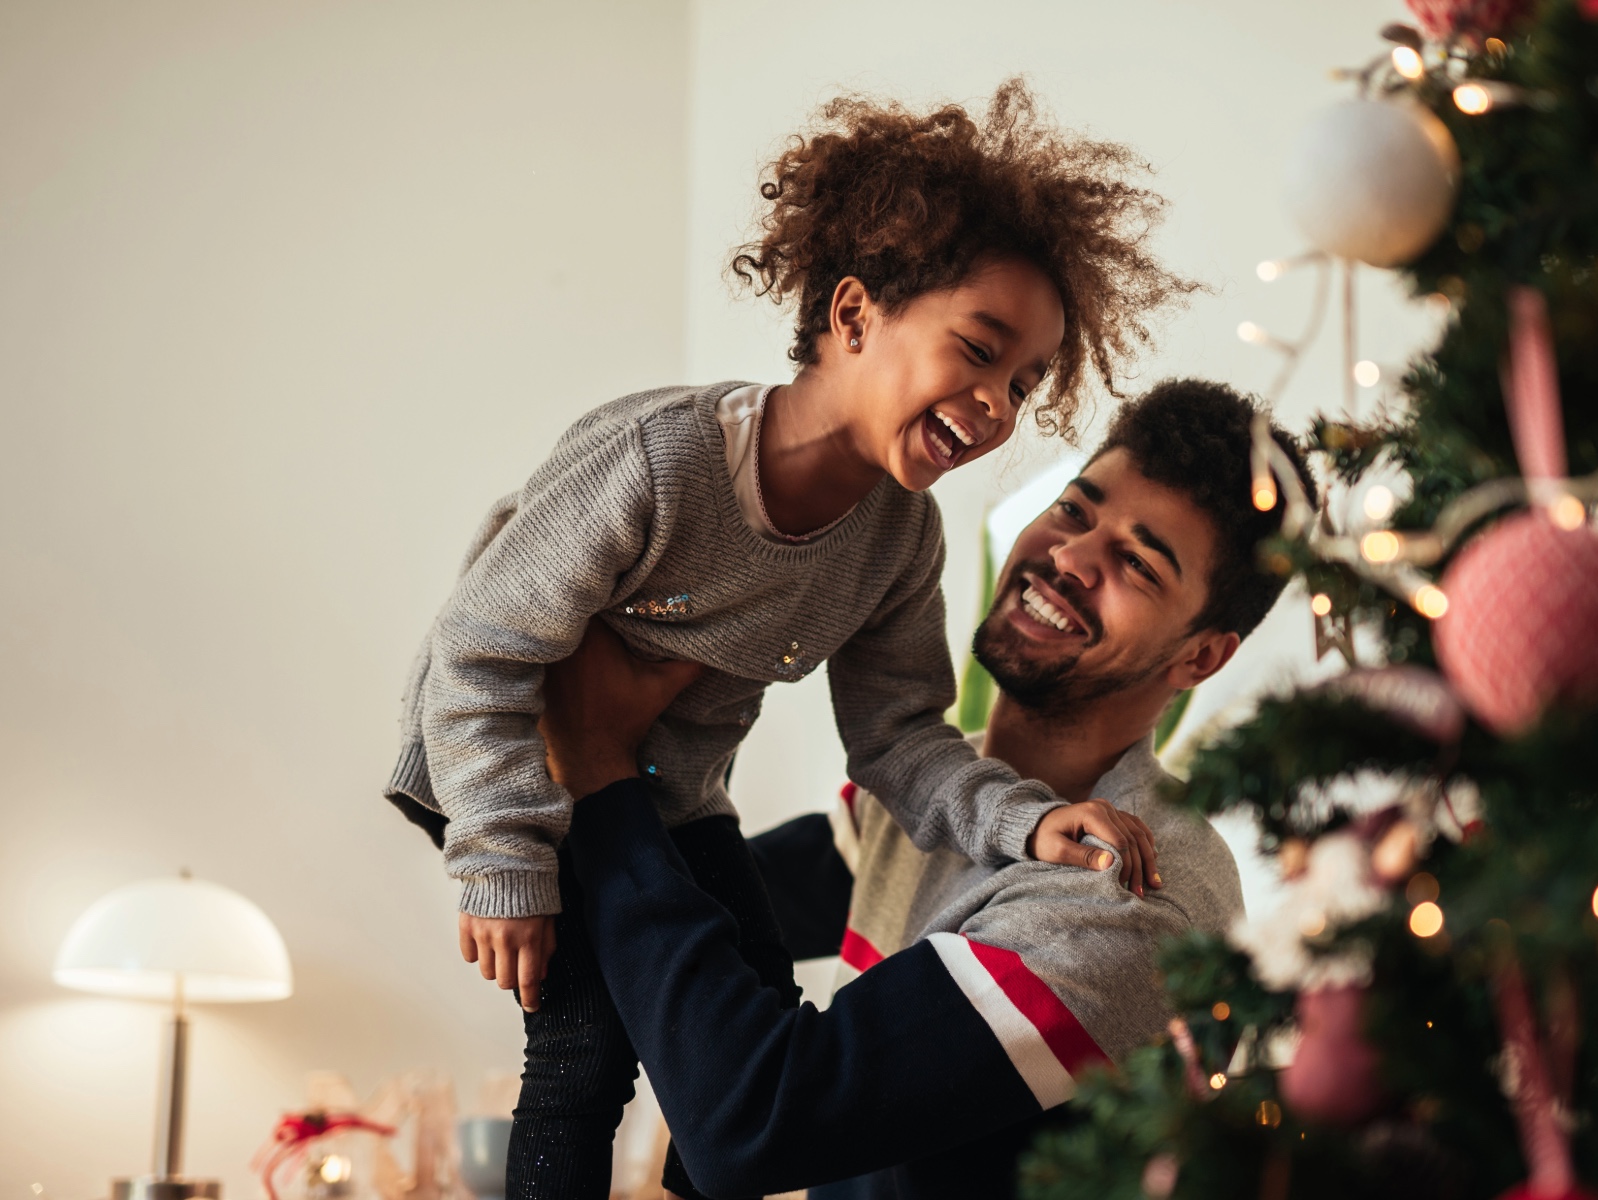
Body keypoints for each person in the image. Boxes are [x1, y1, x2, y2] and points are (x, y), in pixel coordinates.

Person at [382, 81, 1193, 1200]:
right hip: (508, 767)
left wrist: (1030, 821)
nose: (999, 406)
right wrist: (504, 857)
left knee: (751, 1019)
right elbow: (479, 650)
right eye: (979, 350)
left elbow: (902, 738)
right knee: (583, 1062)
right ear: (852, 315)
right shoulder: (663, 463)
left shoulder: (901, 539)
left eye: (1024, 383)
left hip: (667, 794)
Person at [539, 380, 1305, 1198]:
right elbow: (668, 910)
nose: (1072, 558)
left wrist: (597, 761)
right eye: (1076, 511)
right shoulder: (936, 795)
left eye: (1139, 564)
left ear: (1200, 658)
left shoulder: (1132, 891)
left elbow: (750, 1123)